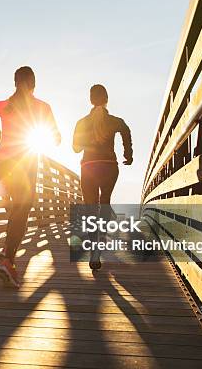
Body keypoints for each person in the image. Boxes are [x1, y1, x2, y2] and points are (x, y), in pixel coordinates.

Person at [0, 66, 60, 287]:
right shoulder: (43, 107)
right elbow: (55, 137)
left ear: (15, 83)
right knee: (23, 207)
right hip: (25, 163)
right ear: (34, 84)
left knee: (18, 209)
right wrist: (54, 137)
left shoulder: (5, 106)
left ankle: (7, 256)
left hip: (1, 163)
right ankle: (8, 260)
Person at [72, 84, 133, 270]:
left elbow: (76, 148)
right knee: (105, 201)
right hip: (109, 167)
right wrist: (128, 154)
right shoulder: (114, 121)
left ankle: (94, 251)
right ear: (106, 99)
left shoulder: (82, 122)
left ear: (90, 100)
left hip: (89, 168)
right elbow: (126, 130)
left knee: (91, 208)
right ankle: (103, 237)